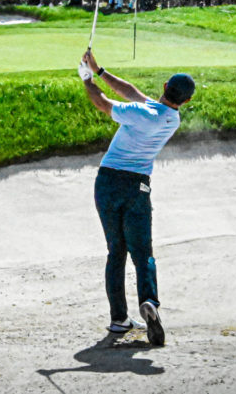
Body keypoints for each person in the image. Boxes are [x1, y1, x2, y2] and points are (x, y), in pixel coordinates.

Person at [78, 49, 195, 346]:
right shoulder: (171, 118)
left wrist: (86, 79)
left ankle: (119, 319)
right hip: (138, 187)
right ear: (186, 100)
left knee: (116, 252)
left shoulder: (139, 113)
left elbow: (103, 104)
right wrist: (100, 70)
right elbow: (132, 92)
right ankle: (149, 303)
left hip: (107, 183)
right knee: (143, 252)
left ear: (165, 88)